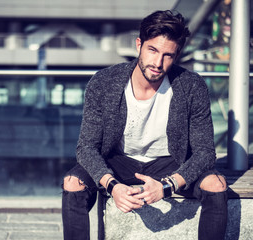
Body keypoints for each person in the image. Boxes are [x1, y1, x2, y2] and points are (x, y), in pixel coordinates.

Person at [62, 10, 228, 240]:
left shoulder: (192, 86)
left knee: (216, 184)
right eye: (153, 50)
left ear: (177, 54)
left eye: (168, 55)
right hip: (118, 161)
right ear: (139, 44)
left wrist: (168, 186)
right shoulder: (104, 82)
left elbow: (205, 153)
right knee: (73, 183)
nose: (158, 63)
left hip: (171, 163)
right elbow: (86, 148)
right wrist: (112, 186)